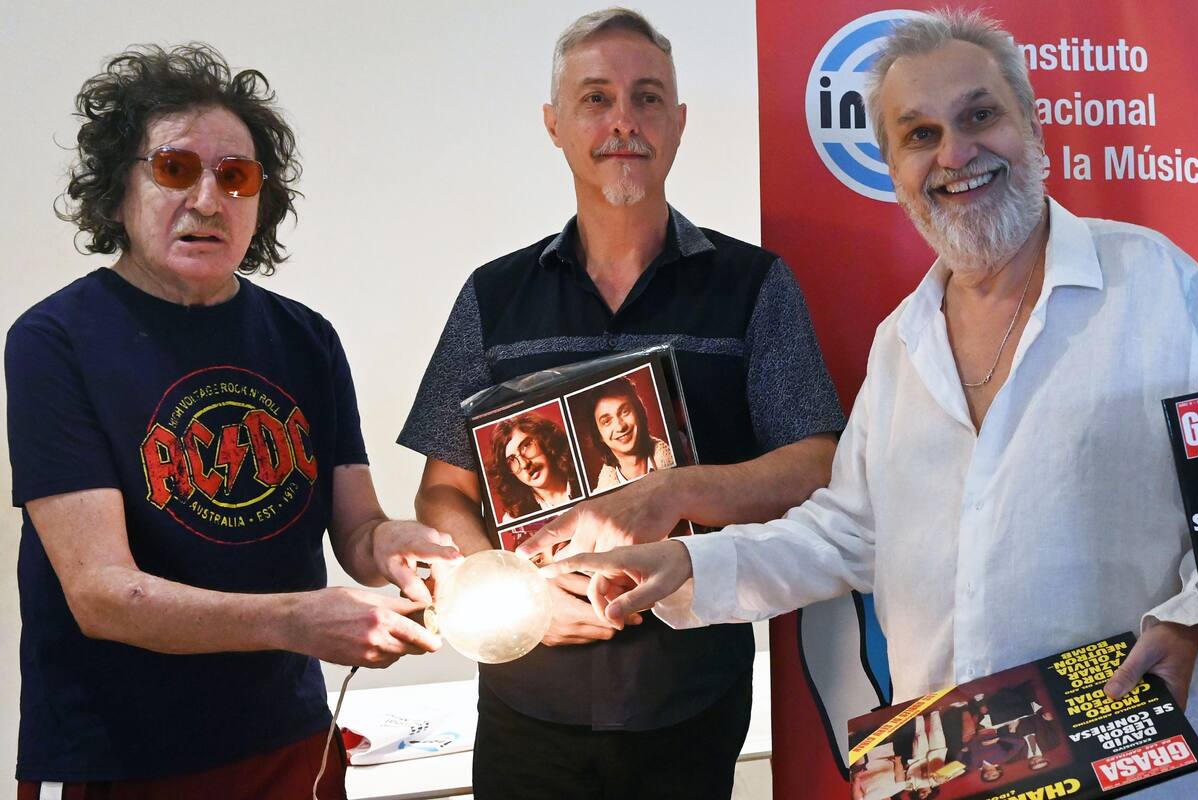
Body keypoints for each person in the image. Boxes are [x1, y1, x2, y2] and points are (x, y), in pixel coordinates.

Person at [548, 12, 1198, 798]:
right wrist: (688, 560)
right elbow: (845, 532)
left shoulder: (1159, 286)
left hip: (1135, 763)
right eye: (919, 134)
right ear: (892, 166)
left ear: (1030, 124)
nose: (955, 154)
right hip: (953, 766)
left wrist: (1190, 617)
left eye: (979, 116)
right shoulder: (901, 344)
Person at [398, 8, 843, 798]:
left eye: (646, 99)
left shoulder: (754, 287)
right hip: (523, 702)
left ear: (677, 124)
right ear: (556, 125)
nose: (623, 122)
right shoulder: (492, 296)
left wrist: (671, 491)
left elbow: (816, 464)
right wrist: (510, 591)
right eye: (596, 99)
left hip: (691, 697)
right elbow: (441, 490)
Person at [5, 45, 460, 799]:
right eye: (176, 169)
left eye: (236, 176)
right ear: (119, 187)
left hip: (288, 742)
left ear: (260, 200)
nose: (209, 200)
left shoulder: (305, 338)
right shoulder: (56, 341)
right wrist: (297, 622)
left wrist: (396, 546)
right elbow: (101, 594)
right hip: (118, 754)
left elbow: (356, 530)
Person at [582, 375, 674, 490]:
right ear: (599, 435)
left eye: (625, 412)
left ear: (638, 412)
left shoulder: (678, 457)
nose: (620, 427)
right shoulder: (600, 498)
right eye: (606, 421)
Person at [488, 412, 579, 521]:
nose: (524, 464)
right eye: (511, 460)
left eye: (526, 446)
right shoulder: (514, 520)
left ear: (544, 439)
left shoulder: (588, 475)